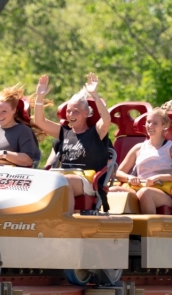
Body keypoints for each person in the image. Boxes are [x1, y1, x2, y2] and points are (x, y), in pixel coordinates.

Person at [30, 73, 113, 212]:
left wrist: (95, 95)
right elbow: (39, 121)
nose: (71, 115)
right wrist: (40, 97)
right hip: (62, 176)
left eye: (76, 112)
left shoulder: (95, 133)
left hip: (88, 181)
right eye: (68, 111)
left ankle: (65, 218)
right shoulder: (64, 132)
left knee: (63, 182)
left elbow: (106, 120)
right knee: (41, 180)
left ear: (86, 113)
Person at [111, 105, 172, 214]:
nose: (150, 126)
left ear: (164, 126)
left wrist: (159, 177)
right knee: (112, 190)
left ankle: (149, 225)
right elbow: (119, 173)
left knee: (145, 193)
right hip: (139, 187)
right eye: (148, 122)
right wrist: (130, 177)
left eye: (155, 123)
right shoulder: (138, 148)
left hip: (163, 192)